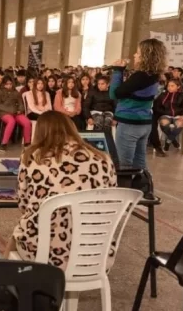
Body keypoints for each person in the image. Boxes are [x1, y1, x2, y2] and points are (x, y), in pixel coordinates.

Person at [9, 111, 117, 269]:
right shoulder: (103, 158)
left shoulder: (32, 156)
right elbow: (111, 199)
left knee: (17, 234)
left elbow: (24, 204)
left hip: (45, 252)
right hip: (97, 252)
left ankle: (0, 286)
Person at [109, 39, 163, 169]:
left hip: (130, 124)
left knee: (124, 164)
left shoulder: (140, 76)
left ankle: (127, 189)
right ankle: (144, 188)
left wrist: (117, 71)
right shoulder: (154, 75)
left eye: (138, 53)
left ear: (146, 56)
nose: (134, 55)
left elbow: (114, 94)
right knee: (139, 162)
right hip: (144, 123)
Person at [0, 76, 31, 151]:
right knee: (11, 121)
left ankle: (27, 143)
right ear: (3, 84)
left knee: (27, 122)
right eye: (7, 84)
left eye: (10, 84)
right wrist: (11, 110)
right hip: (3, 112)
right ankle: (4, 144)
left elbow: (21, 103)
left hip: (16, 112)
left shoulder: (15, 92)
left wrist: (20, 110)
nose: (9, 86)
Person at [153, 78, 183, 151]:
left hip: (179, 115)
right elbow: (156, 107)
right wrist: (164, 112)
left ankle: (168, 141)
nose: (169, 87)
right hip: (165, 115)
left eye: (172, 86)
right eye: (168, 86)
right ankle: (173, 141)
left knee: (180, 123)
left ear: (178, 86)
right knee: (164, 123)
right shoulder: (163, 95)